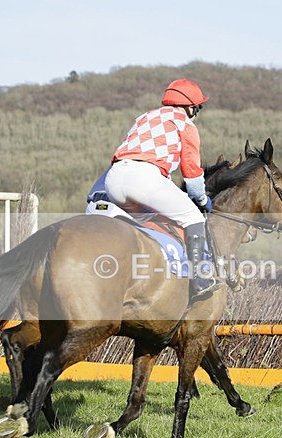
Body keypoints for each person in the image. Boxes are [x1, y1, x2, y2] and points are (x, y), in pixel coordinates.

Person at [87, 79, 218, 302]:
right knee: (192, 217)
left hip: (113, 178)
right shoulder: (186, 125)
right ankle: (200, 279)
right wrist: (203, 200)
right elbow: (192, 174)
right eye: (199, 108)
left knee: (148, 224)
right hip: (144, 179)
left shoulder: (144, 117)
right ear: (191, 107)